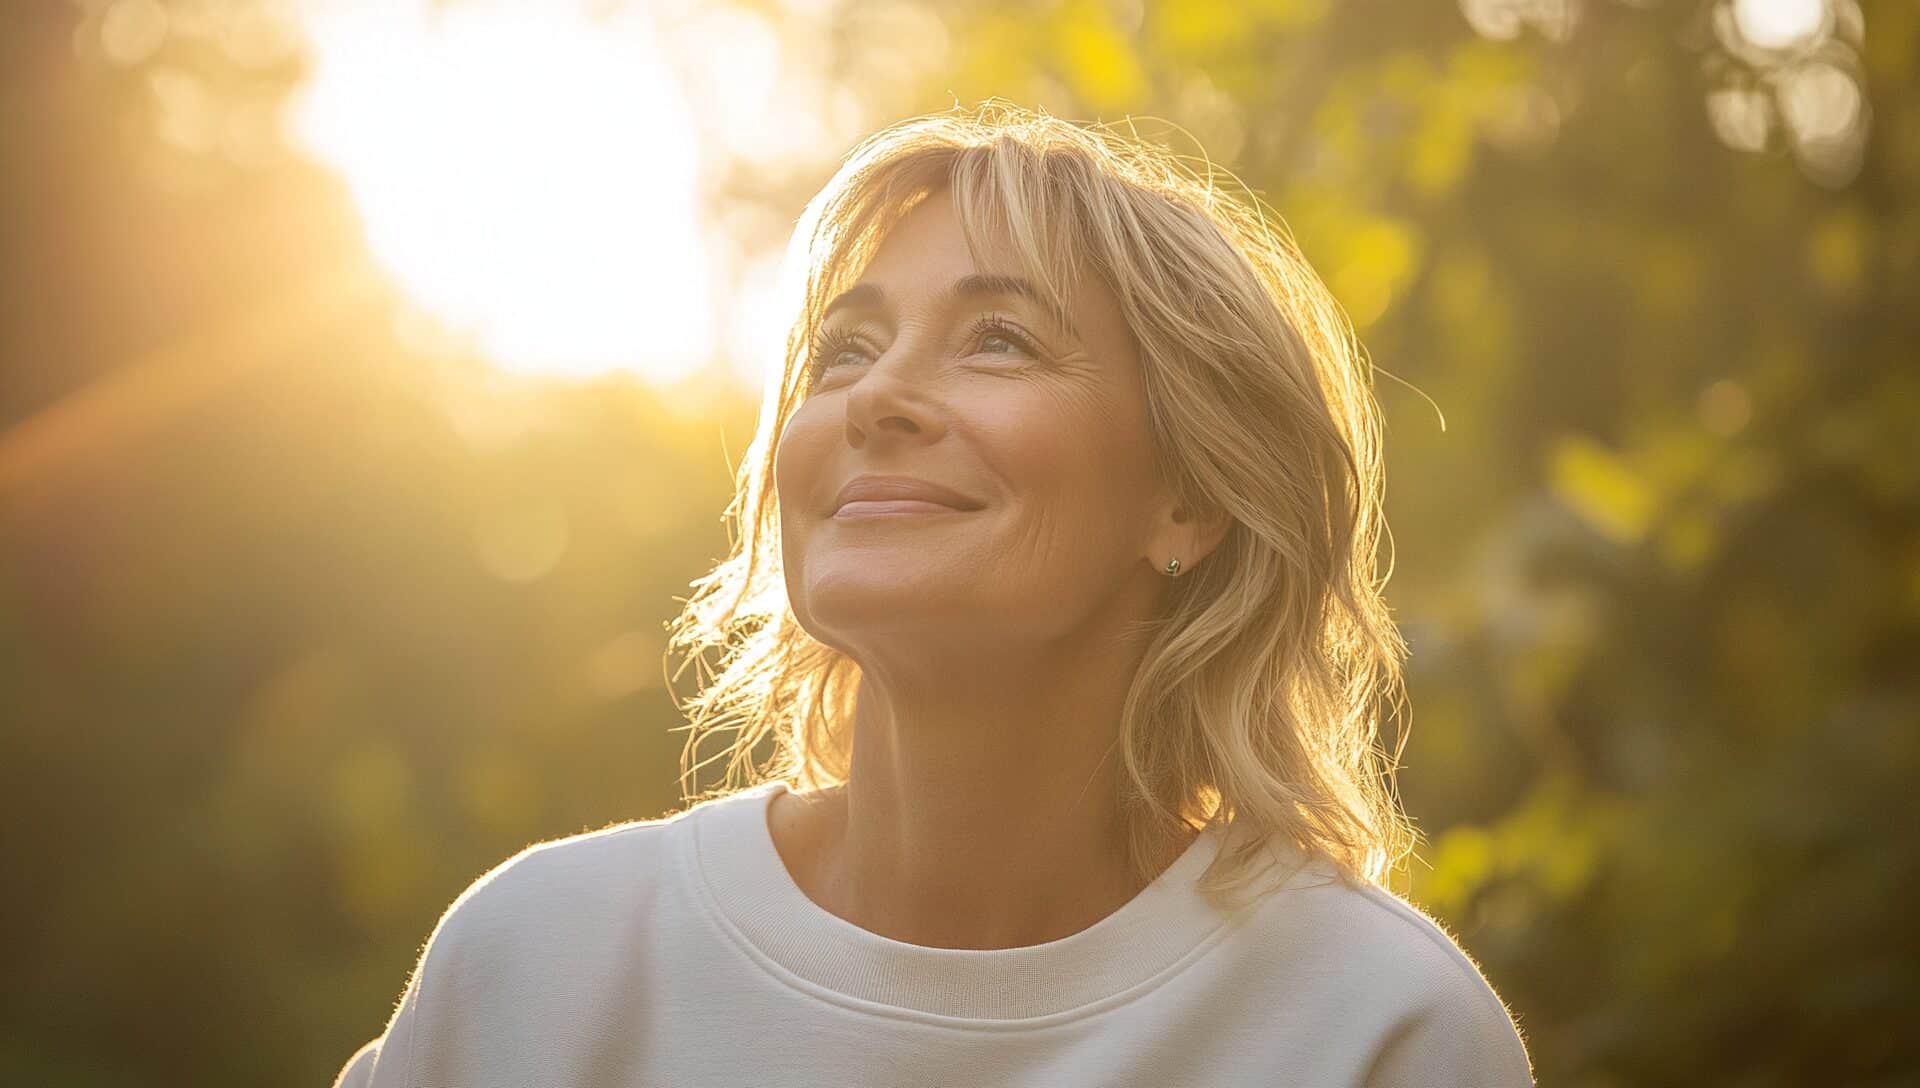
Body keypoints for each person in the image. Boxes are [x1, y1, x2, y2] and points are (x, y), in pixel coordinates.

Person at [333, 101, 1534, 1087]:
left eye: (999, 340)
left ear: (1186, 500)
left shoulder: (1379, 1028)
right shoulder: (539, 957)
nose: (877, 397)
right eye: (846, 350)